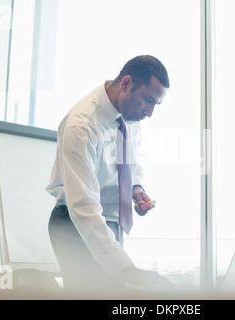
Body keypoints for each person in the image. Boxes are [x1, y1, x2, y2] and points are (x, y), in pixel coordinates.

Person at [46, 55, 173, 293]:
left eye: (156, 104)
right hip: (77, 225)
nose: (150, 112)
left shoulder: (131, 115)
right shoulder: (82, 125)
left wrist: (136, 188)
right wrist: (128, 269)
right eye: (148, 100)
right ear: (126, 84)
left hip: (110, 223)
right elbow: (84, 207)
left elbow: (131, 160)